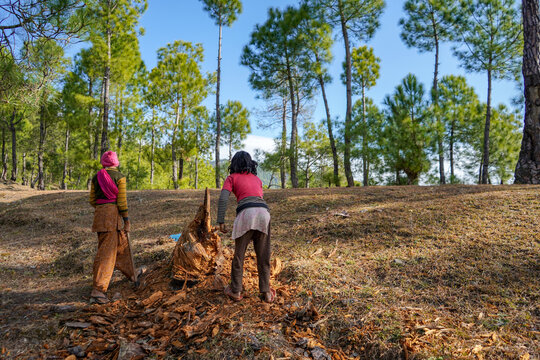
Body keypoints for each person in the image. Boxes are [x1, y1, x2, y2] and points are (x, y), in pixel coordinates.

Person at [217, 151, 276, 303]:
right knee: (263, 255)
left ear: (234, 164)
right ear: (250, 163)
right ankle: (266, 292)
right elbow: (257, 197)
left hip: (245, 215)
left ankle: (235, 291)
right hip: (264, 214)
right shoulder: (257, 179)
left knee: (239, 255)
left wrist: (220, 220)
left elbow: (223, 198)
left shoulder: (231, 178)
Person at [88, 151, 143, 304]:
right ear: (116, 163)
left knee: (121, 244)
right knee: (107, 253)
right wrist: (126, 219)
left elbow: (92, 200)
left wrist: (102, 208)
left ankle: (133, 273)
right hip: (112, 215)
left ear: (103, 163)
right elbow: (122, 202)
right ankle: (98, 290)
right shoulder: (120, 177)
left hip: (100, 215)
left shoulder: (96, 177)